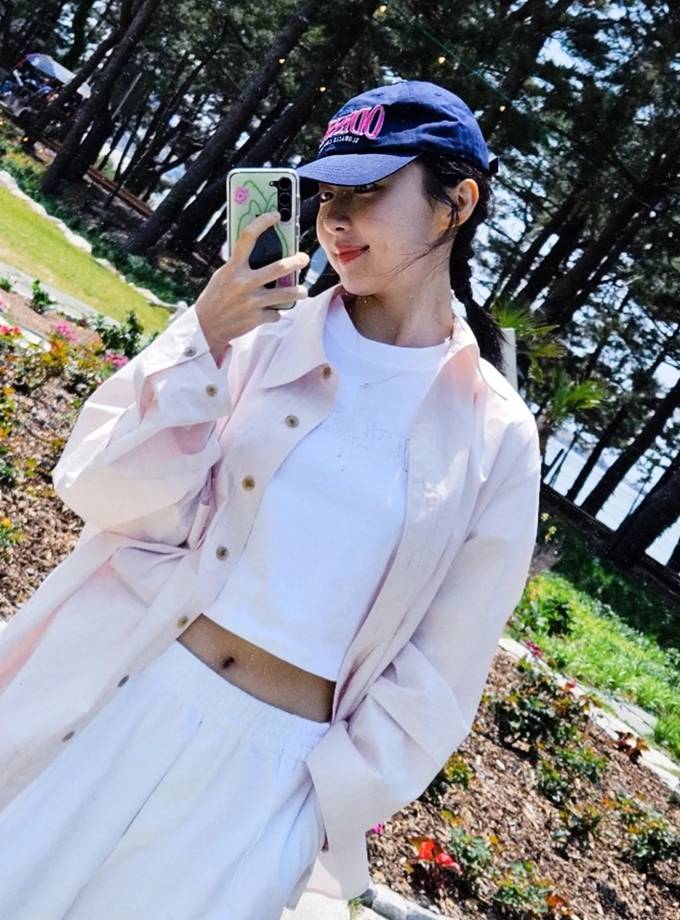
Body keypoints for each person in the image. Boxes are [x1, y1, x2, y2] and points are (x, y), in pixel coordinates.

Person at [0, 80, 541, 919]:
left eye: (368, 191)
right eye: (326, 195)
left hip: (266, 782)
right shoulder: (259, 334)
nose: (336, 219)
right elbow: (101, 488)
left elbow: (444, 664)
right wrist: (204, 338)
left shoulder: (494, 433)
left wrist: (317, 809)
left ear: (456, 204)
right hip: (123, 690)